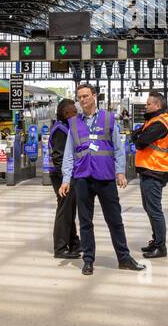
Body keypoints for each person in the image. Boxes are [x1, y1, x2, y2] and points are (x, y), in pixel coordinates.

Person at [59, 83, 145, 275]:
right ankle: (88, 260)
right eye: (79, 97)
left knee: (114, 220)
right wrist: (66, 179)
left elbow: (117, 148)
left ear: (94, 96)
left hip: (105, 177)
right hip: (82, 178)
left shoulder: (109, 118)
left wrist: (120, 172)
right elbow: (69, 154)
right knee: (85, 222)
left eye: (85, 96)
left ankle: (124, 258)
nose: (82, 100)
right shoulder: (73, 123)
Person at [131, 90, 168, 259]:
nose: (146, 106)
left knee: (154, 210)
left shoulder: (160, 123)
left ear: (157, 105)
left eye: (148, 104)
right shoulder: (152, 121)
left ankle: (161, 247)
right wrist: (138, 136)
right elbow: (137, 136)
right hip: (148, 169)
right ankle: (156, 240)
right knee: (149, 208)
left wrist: (138, 137)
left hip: (155, 169)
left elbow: (140, 142)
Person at [49, 99, 81, 259]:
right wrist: (65, 180)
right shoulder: (61, 130)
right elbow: (58, 156)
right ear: (66, 113)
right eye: (74, 111)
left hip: (65, 175)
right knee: (64, 209)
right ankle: (60, 247)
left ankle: (74, 243)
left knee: (69, 209)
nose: (77, 113)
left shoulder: (66, 127)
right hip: (61, 176)